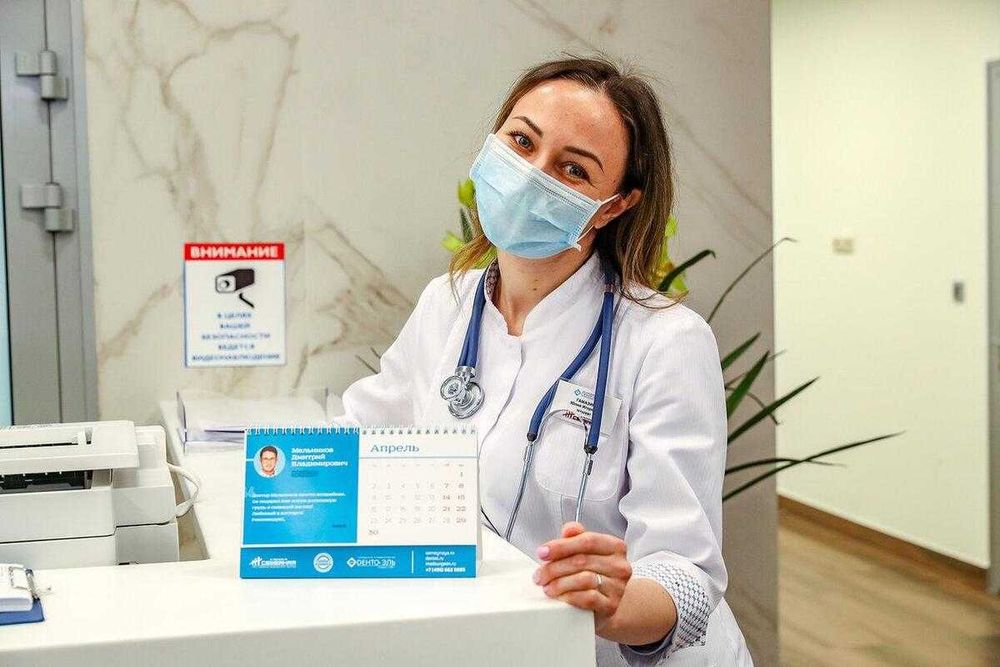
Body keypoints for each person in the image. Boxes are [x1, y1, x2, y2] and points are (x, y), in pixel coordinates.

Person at [335, 56, 753, 666]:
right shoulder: (446, 303)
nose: (531, 176)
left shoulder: (666, 341)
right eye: (522, 142)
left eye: (573, 169)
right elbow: (362, 442)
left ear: (613, 206)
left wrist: (615, 603)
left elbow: (687, 573)